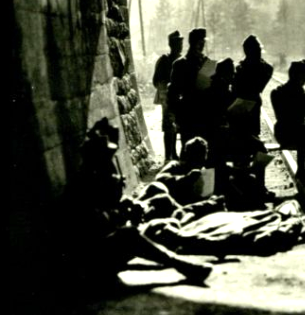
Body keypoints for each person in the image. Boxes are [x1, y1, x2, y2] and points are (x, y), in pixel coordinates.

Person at [70, 119, 213, 286]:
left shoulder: (96, 179)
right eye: (105, 157)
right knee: (129, 234)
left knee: (162, 225)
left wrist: (125, 209)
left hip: (107, 246)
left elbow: (110, 212)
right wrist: (121, 215)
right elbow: (94, 228)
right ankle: (180, 264)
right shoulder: (82, 185)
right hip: (91, 262)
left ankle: (202, 241)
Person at [167, 27, 213, 149]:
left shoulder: (206, 62)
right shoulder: (180, 64)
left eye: (203, 43)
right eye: (200, 43)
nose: (202, 46)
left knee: (206, 151)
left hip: (206, 113)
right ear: (193, 43)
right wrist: (175, 115)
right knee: (189, 149)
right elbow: (173, 92)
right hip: (188, 113)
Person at [231, 35, 274, 140]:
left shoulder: (239, 68)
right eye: (258, 49)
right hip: (249, 104)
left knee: (245, 135)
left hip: (244, 104)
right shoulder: (264, 68)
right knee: (250, 135)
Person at [152, 30, 184, 161]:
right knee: (168, 127)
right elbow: (156, 80)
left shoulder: (182, 60)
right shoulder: (164, 60)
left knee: (178, 126)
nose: (179, 46)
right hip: (168, 97)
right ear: (171, 45)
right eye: (177, 43)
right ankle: (168, 155)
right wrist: (164, 92)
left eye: (180, 43)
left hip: (179, 97)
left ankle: (174, 153)